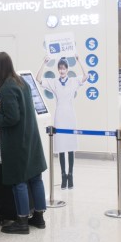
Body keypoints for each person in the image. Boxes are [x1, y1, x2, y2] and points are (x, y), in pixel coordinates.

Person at [0, 52, 47, 235]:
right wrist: (0, 105)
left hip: (17, 140)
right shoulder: (21, 81)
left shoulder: (7, 87)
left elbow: (12, 118)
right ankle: (39, 217)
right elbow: (20, 108)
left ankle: (21, 221)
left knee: (18, 181)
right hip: (31, 137)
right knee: (36, 178)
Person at [36, 55, 87, 189]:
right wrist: (44, 62)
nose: (62, 71)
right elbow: (38, 79)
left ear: (67, 69)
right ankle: (63, 175)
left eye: (64, 68)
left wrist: (79, 60)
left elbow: (86, 76)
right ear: (58, 69)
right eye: (60, 68)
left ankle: (71, 175)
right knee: (61, 147)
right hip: (59, 115)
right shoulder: (54, 82)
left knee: (70, 147)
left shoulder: (73, 81)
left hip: (70, 115)